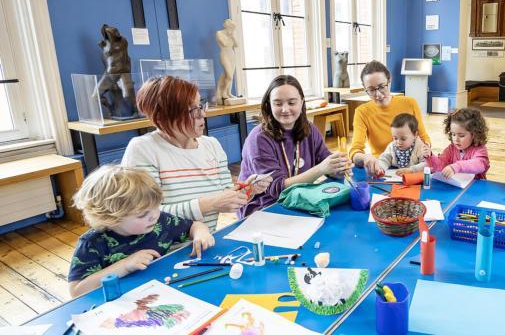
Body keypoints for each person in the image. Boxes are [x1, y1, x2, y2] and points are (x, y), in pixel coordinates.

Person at [122, 76, 271, 231]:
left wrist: (248, 189)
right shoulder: (142, 149)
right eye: (193, 110)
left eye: (201, 106)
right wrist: (210, 204)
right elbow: (143, 215)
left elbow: (226, 196)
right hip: (162, 251)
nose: (203, 114)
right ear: (162, 116)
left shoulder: (212, 145)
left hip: (205, 243)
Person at [68, 165, 215, 297]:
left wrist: (201, 233)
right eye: (142, 214)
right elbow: (76, 291)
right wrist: (125, 265)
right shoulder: (91, 244)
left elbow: (193, 226)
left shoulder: (161, 221)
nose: (154, 216)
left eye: (157, 206)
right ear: (110, 218)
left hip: (160, 291)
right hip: (118, 302)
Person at [239, 75, 352, 217]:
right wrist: (322, 168)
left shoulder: (309, 129)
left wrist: (338, 167)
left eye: (292, 103)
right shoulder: (258, 139)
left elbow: (324, 159)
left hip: (298, 202)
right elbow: (277, 189)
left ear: (302, 102)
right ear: (269, 104)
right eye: (278, 103)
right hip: (264, 208)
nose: (285, 109)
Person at [349, 61, 431, 176]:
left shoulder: (410, 103)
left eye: (382, 87)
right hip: (382, 168)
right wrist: (364, 157)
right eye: (371, 90)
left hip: (412, 166)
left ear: (389, 81)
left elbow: (423, 137)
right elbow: (355, 151)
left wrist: (426, 151)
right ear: (365, 89)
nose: (378, 94)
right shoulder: (361, 112)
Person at [424, 108, 490, 179]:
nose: (456, 139)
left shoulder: (480, 150)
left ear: (474, 134)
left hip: (475, 188)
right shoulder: (451, 148)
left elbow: (479, 165)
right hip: (457, 187)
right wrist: (430, 156)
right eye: (453, 134)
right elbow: (440, 166)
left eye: (461, 135)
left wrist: (457, 166)